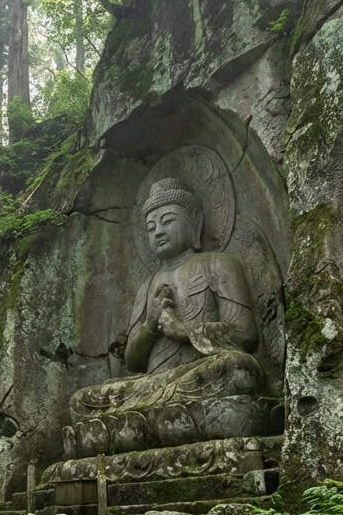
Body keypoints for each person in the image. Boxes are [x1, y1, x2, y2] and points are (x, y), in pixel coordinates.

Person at [69, 178, 264, 431]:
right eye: (151, 227)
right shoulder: (147, 286)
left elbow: (244, 334)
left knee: (237, 368)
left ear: (194, 219)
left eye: (167, 221)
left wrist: (183, 330)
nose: (158, 231)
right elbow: (133, 361)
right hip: (154, 385)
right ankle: (158, 418)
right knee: (81, 402)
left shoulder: (218, 264)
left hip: (200, 375)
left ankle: (148, 421)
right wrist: (150, 325)